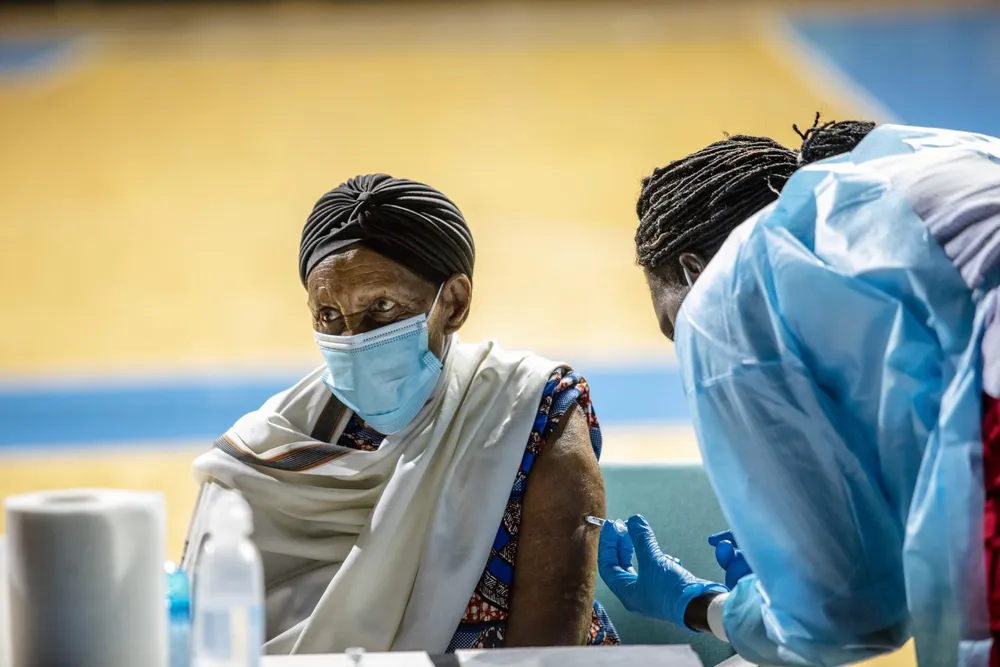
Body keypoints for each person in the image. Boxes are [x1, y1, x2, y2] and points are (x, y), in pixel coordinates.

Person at [598, 119, 1000, 666]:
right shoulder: (921, 160)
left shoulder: (727, 292)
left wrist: (701, 604)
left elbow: (848, 615)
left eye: (675, 326)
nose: (686, 344)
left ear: (693, 271)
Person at [181, 174, 618, 654]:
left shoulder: (532, 414)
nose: (353, 340)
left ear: (453, 304)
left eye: (382, 306)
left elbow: (547, 658)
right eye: (328, 315)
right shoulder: (269, 452)